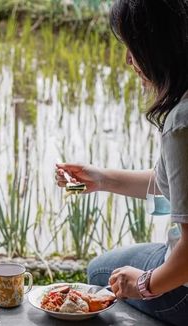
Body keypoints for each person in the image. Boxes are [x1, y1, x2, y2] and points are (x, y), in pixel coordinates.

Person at [55, 1, 188, 325]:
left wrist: (143, 285)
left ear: (159, 47)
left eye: (133, 47)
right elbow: (175, 184)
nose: (128, 59)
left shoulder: (181, 123)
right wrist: (101, 179)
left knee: (101, 272)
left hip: (183, 284)